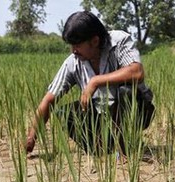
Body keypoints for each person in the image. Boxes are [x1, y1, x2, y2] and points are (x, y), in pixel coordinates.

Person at [25, 11, 155, 156]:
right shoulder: (73, 63)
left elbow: (136, 72)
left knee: (126, 91)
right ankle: (103, 149)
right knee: (65, 113)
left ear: (94, 41)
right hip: (103, 115)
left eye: (78, 45)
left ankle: (125, 150)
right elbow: (49, 99)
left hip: (137, 110)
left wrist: (96, 81)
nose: (73, 51)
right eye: (71, 45)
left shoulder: (119, 42)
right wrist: (32, 137)